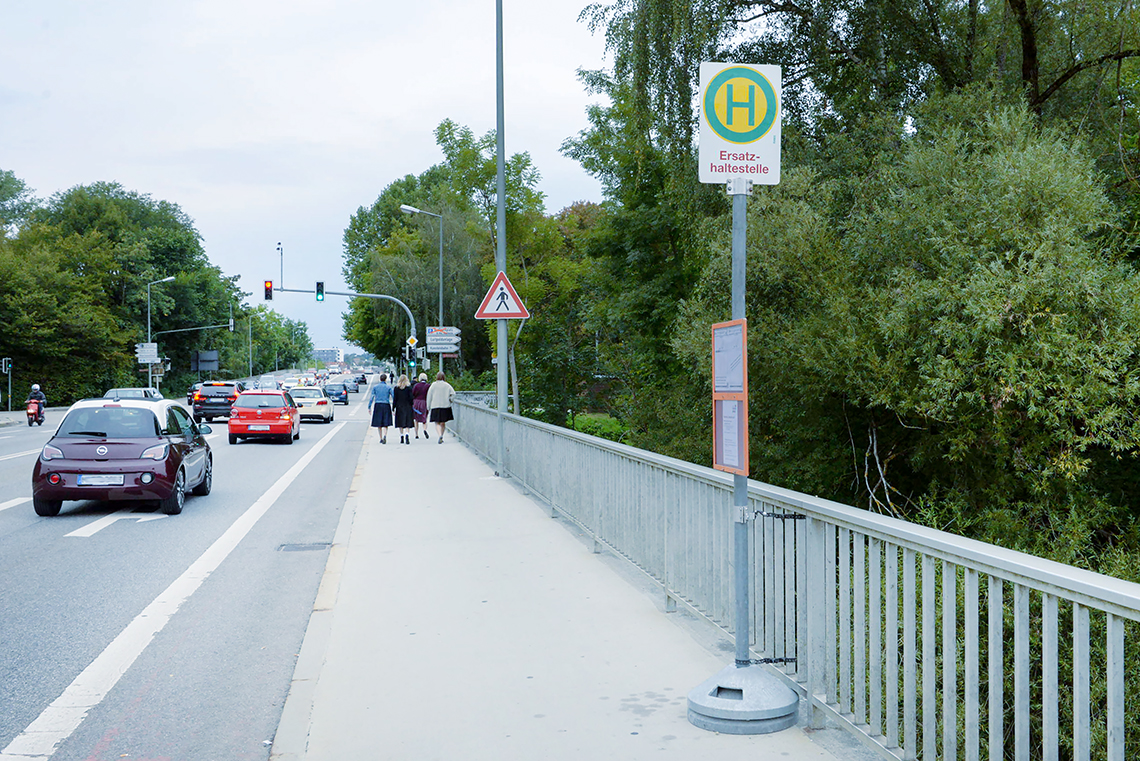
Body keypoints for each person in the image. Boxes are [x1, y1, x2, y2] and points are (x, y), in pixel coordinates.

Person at [426, 371, 456, 444]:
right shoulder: (447, 385)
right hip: (445, 406)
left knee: (437, 423)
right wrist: (450, 400)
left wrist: (428, 406)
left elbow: (429, 396)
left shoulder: (433, 385)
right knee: (443, 422)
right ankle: (442, 435)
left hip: (435, 406)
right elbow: (453, 394)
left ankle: (439, 435)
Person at [367, 373, 394, 444]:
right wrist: (394, 406)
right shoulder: (388, 387)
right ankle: (385, 435)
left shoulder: (375, 387)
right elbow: (393, 396)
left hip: (378, 405)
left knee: (379, 423)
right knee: (386, 422)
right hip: (386, 404)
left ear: (380, 379)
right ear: (385, 379)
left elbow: (372, 397)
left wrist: (369, 407)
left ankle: (381, 438)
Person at [392, 374, 416, 445]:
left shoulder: (396, 388)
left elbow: (395, 399)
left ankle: (401, 436)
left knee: (400, 422)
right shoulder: (409, 388)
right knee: (407, 422)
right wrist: (412, 404)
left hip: (399, 407)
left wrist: (393, 407)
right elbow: (411, 398)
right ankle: (407, 434)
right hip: (407, 406)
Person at [411, 373, 430, 439]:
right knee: (424, 417)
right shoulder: (428, 386)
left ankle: (416, 434)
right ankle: (424, 430)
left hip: (416, 402)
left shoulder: (416, 385)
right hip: (424, 402)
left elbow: (412, 394)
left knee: (416, 419)